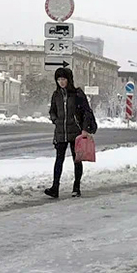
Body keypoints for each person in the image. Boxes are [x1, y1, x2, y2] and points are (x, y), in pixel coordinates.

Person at [45, 67, 95, 199]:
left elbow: (86, 112)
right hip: (61, 132)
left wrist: (84, 128)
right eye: (59, 79)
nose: (61, 82)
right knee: (58, 160)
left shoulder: (77, 94)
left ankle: (76, 187)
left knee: (77, 160)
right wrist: (55, 120)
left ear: (69, 80)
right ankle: (55, 188)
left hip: (76, 132)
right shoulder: (56, 95)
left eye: (63, 79)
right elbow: (52, 111)